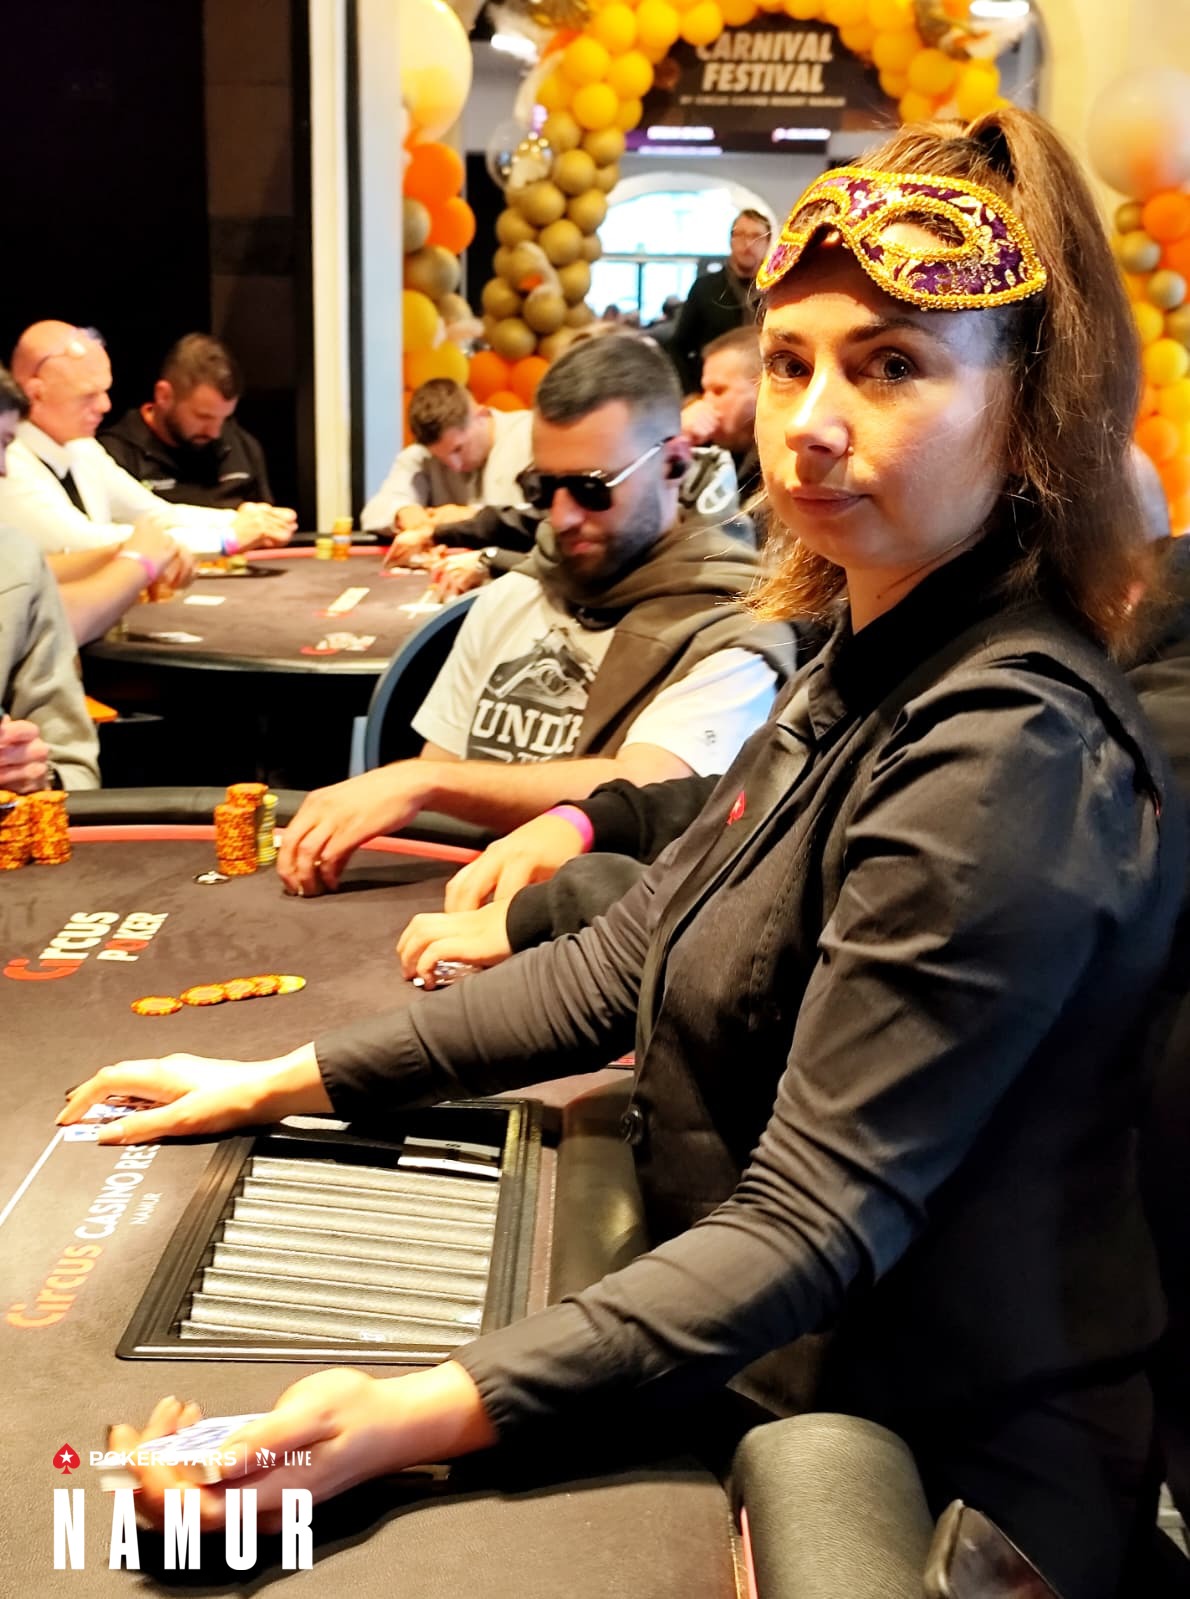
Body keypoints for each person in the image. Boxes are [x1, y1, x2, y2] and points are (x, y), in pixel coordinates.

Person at [61, 110, 1184, 1599]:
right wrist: (282, 1078)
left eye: (891, 366)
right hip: (796, 1353)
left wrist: (395, 1416)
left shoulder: (1006, 746)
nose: (810, 422)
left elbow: (810, 1219)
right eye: (790, 362)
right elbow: (627, 952)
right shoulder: (868, 656)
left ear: (1029, 408)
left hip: (935, 1478)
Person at [279, 335, 792, 895]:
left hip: (599, 923)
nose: (561, 517)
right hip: (457, 901)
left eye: (591, 488)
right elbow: (441, 792)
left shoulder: (734, 626)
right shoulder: (514, 593)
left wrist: (424, 782)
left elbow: (646, 788)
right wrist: (426, 783)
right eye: (544, 488)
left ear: (673, 462)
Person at [0, 323, 295, 556]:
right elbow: (85, 543)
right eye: (88, 395)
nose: (105, 405)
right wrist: (225, 539)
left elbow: (153, 514)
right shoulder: (9, 462)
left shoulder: (82, 447)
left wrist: (238, 519)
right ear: (36, 394)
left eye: (105, 391)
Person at [0, 369, 100, 790]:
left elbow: (74, 767)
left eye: (4, 445)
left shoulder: (18, 562)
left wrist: (37, 778)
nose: (3, 470)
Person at [99, 332, 280, 509]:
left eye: (225, 418)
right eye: (203, 416)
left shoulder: (243, 446)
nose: (215, 432)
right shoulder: (113, 456)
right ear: (164, 396)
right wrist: (232, 524)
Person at [360, 379, 533, 554]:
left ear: (481, 416)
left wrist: (474, 516)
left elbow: (541, 517)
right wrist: (402, 512)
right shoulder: (421, 455)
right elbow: (374, 511)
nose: (454, 465)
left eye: (458, 449)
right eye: (440, 457)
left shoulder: (531, 436)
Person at [671, 209, 771, 392]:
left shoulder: (777, 290)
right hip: (714, 391)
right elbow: (679, 347)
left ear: (767, 243)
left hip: (765, 391)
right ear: (731, 240)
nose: (748, 244)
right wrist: (693, 392)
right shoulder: (705, 288)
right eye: (740, 235)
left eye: (756, 236)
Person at [680, 327, 763, 502]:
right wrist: (679, 444)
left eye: (718, 391)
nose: (706, 402)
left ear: (763, 388)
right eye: (705, 391)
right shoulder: (704, 446)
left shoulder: (781, 469)